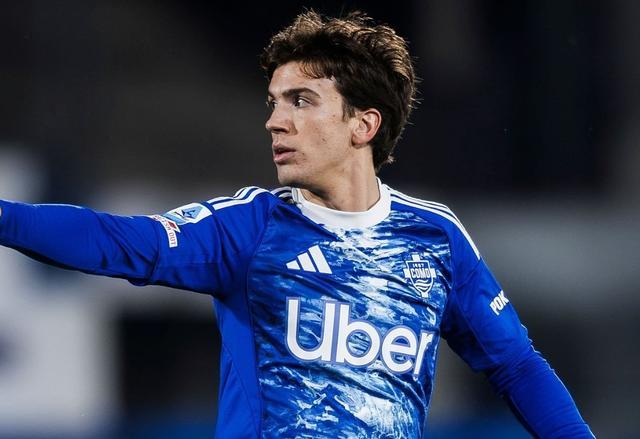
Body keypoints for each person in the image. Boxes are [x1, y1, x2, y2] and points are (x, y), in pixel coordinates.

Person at [0, 10, 594, 439]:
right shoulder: (249, 229)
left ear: (363, 125)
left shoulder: (436, 238)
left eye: (301, 100)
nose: (274, 122)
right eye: (274, 102)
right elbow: (124, 244)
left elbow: (516, 366)